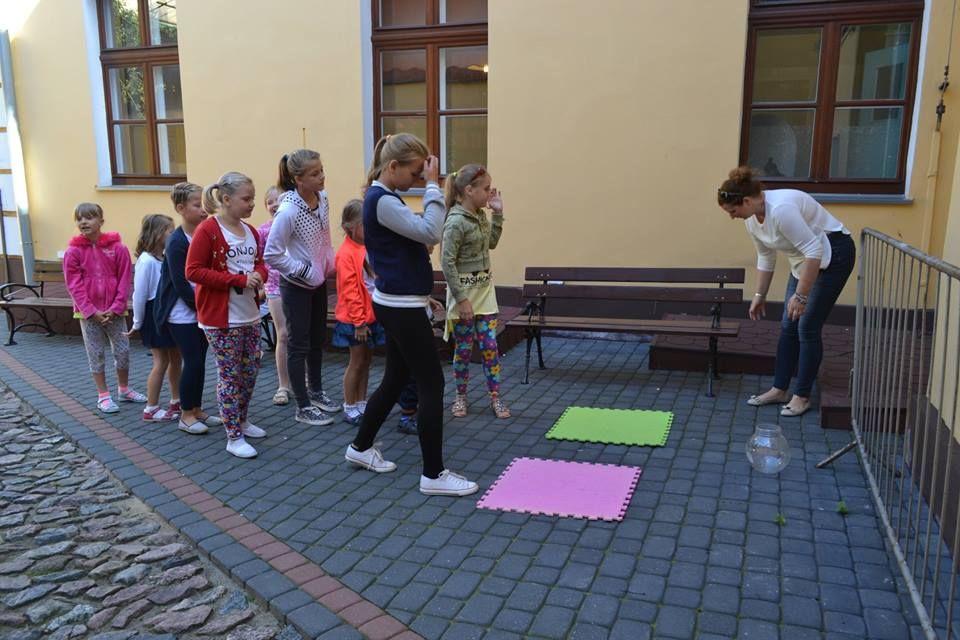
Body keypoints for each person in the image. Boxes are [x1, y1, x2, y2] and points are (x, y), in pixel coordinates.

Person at [346, 132, 479, 497]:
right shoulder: (382, 200)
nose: (419, 180)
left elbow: (415, 240)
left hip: (401, 302)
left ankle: (360, 448)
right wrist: (436, 188)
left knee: (394, 379)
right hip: (401, 307)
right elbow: (431, 231)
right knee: (432, 384)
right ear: (393, 167)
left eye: (423, 175)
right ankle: (433, 474)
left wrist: (425, 299)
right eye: (416, 173)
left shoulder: (385, 198)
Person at [717, 166, 855, 417]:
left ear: (747, 201)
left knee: (807, 326)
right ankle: (779, 389)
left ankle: (801, 396)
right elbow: (766, 256)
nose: (732, 216)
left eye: (733, 211)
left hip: (833, 254)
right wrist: (759, 296)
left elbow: (815, 251)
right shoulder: (752, 221)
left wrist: (801, 296)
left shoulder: (781, 210)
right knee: (788, 324)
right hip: (805, 260)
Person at [185, 172, 268, 458]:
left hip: (249, 315)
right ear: (227, 199)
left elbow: (260, 263)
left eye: (252, 199)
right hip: (221, 319)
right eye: (247, 199)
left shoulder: (251, 231)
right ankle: (233, 436)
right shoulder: (208, 230)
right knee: (230, 376)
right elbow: (193, 271)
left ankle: (242, 420)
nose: (251, 204)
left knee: (249, 372)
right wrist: (238, 280)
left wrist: (258, 274)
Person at [264, 149, 341, 426]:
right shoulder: (287, 211)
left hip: (318, 281)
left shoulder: (323, 198)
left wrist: (328, 258)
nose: (322, 176)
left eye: (321, 170)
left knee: (318, 339)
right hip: (297, 286)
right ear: (298, 179)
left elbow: (325, 235)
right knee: (298, 344)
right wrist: (303, 270)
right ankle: (303, 406)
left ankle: (317, 392)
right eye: (314, 173)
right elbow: (271, 254)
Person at [441, 164, 510, 419]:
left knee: (490, 346)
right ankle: (460, 397)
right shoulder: (455, 221)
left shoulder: (481, 216)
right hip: (465, 297)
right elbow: (447, 262)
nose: (490, 193)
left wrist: (498, 215)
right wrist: (461, 299)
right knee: (464, 349)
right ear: (469, 190)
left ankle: (495, 397)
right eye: (486, 189)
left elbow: (491, 243)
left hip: (484, 293)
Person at [63, 203, 146, 413]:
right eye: (79, 218)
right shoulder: (73, 251)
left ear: (101, 220)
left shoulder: (117, 248)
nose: (84, 222)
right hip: (88, 314)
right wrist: (91, 311)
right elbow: (74, 284)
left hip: (115, 312)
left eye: (89, 217)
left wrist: (117, 307)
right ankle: (103, 395)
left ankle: (124, 389)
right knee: (96, 353)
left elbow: (125, 278)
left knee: (123, 351)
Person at [154, 182, 222, 435]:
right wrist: (202, 306)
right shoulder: (177, 242)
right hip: (182, 313)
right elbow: (182, 284)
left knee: (200, 361)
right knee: (192, 361)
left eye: (204, 204)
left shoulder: (204, 234)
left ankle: (196, 408)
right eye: (197, 205)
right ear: (181, 208)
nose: (204, 210)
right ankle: (185, 414)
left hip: (201, 310)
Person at [332, 199, 386, 425]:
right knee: (356, 361)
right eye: (365, 225)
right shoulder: (346, 254)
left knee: (366, 360)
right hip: (356, 320)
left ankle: (362, 402)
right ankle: (349, 404)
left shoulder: (366, 246)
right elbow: (351, 291)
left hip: (370, 317)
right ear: (350, 228)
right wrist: (359, 322)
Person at [127, 213, 182, 422]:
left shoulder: (165, 258)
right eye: (169, 229)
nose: (173, 233)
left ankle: (176, 400)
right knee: (161, 361)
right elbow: (139, 295)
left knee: (177, 359)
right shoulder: (146, 261)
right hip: (153, 316)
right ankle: (151, 407)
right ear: (157, 233)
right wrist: (137, 322)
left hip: (167, 314)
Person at [257, 186, 292, 405]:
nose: (274, 205)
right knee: (283, 335)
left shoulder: (294, 226)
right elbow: (259, 261)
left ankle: (304, 381)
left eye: (279, 200)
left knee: (300, 336)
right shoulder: (263, 231)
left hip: (297, 285)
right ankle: (283, 385)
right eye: (270, 201)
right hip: (274, 288)